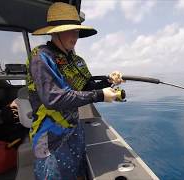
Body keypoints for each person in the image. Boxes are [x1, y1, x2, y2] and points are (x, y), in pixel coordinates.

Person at [26, 2, 124, 180]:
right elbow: (53, 98)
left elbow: (86, 86)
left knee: (77, 173)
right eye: (69, 30)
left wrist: (108, 81)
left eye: (77, 31)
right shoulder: (41, 57)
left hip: (74, 130)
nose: (75, 36)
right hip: (50, 136)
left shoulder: (77, 60)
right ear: (55, 31)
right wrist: (101, 95)